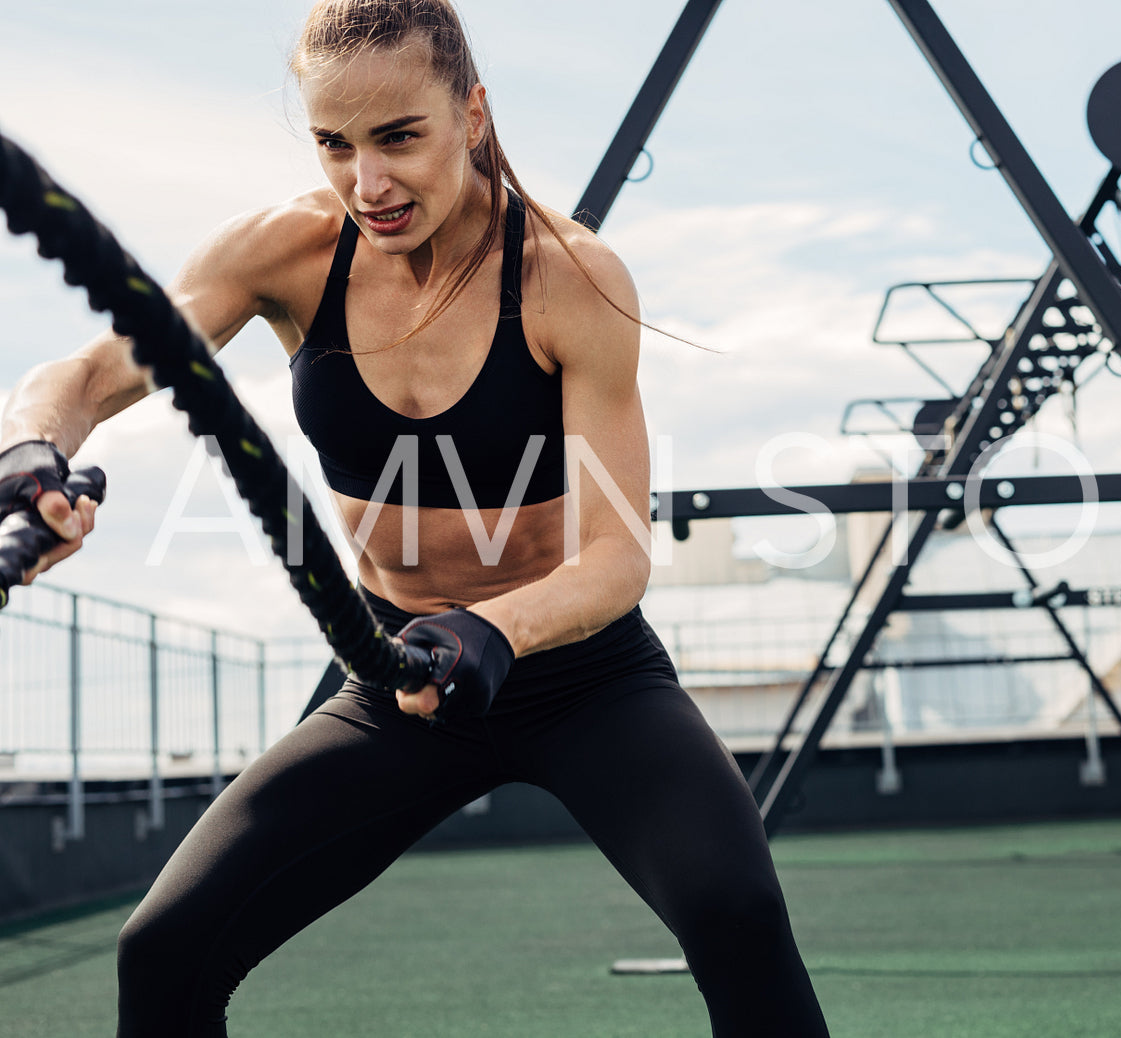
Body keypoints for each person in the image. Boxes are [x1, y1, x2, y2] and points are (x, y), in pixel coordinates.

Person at [0, 2, 830, 1035]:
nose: (368, 184)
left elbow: (617, 560)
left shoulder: (567, 278)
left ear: (471, 117)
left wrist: (497, 627)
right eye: (335, 145)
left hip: (582, 678)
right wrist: (31, 446)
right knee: (165, 949)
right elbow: (84, 374)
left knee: (737, 914)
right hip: (398, 683)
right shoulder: (284, 253)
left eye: (399, 137)